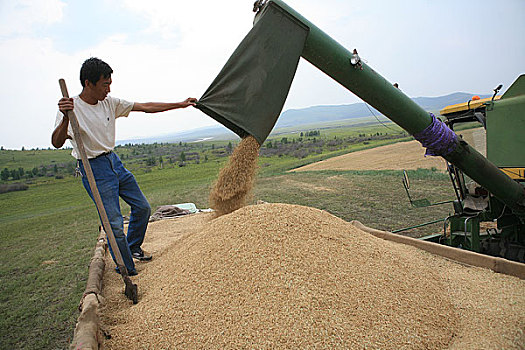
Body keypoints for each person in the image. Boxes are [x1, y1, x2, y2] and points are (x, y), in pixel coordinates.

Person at [52, 57, 197, 276]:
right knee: (114, 224)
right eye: (104, 84)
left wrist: (180, 103)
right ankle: (127, 270)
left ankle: (132, 248)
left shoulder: (109, 103)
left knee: (142, 208)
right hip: (93, 168)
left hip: (113, 161)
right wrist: (65, 118)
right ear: (88, 83)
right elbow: (56, 142)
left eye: (110, 83)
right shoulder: (72, 108)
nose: (108, 89)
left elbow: (146, 107)